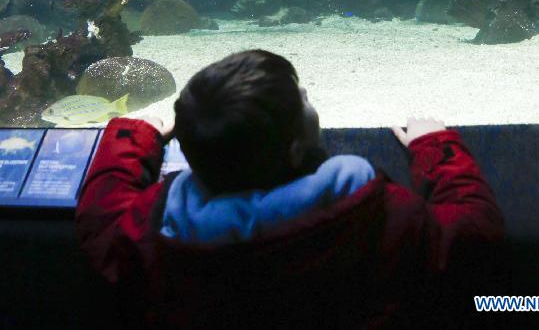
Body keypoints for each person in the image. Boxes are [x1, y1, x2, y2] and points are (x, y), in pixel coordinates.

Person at [76, 49, 504, 328]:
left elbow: (102, 214)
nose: (307, 95)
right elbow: (473, 229)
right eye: (303, 98)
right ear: (297, 146)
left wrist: (135, 138)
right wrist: (437, 147)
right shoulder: (377, 214)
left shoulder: (154, 235)